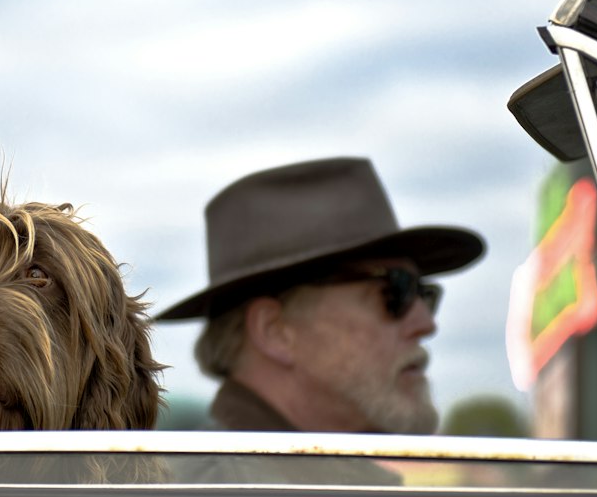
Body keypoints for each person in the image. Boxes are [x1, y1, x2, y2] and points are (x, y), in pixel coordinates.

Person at [156, 157, 485, 434]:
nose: (425, 323)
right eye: (394, 290)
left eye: (424, 294)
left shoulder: (312, 493)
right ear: (275, 331)